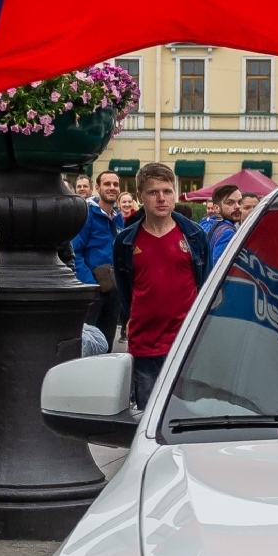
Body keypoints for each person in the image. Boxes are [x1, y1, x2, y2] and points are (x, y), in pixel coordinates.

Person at [113, 164, 210, 409]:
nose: (161, 198)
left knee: (188, 414)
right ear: (139, 197)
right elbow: (125, 291)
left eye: (167, 191)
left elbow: (206, 284)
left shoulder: (195, 236)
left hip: (186, 342)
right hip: (145, 344)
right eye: (153, 192)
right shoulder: (125, 242)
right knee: (148, 416)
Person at [71, 168, 124, 344]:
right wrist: (91, 284)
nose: (112, 187)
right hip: (94, 292)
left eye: (115, 184)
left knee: (107, 342)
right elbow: (74, 252)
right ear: (97, 188)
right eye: (107, 184)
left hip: (114, 291)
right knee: (89, 342)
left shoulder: (119, 218)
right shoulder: (86, 214)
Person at [199, 183, 242, 264]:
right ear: (216, 208)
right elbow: (218, 267)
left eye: (239, 202)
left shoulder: (204, 224)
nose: (237, 206)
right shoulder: (228, 232)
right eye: (230, 203)